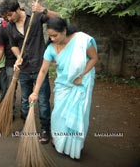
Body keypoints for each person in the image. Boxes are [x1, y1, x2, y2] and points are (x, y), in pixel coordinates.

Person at [29, 17, 98, 159]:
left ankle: (73, 148)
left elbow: (94, 58)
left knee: (77, 116)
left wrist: (82, 75)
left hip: (81, 84)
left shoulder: (82, 40)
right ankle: (60, 141)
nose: (52, 39)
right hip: (63, 86)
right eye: (50, 36)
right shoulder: (50, 49)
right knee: (58, 116)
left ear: (64, 31)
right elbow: (42, 71)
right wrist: (35, 92)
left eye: (55, 35)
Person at [0, 0, 59, 144]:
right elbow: (12, 44)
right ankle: (26, 127)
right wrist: (18, 56)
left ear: (17, 9)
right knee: (24, 100)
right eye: (5, 16)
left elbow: (59, 18)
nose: (8, 18)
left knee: (43, 101)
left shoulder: (36, 17)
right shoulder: (10, 27)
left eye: (10, 14)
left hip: (39, 68)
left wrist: (43, 9)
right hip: (24, 70)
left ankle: (45, 130)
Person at [0, 12, 17, 120]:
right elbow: (0, 49)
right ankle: (9, 112)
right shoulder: (2, 30)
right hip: (11, 63)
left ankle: (26, 113)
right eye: (5, 17)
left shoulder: (20, 25)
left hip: (27, 62)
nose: (8, 18)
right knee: (11, 88)